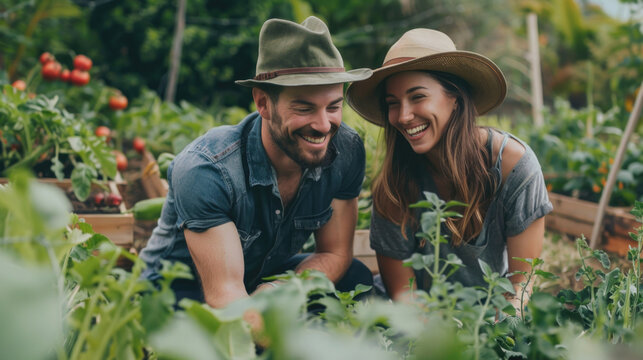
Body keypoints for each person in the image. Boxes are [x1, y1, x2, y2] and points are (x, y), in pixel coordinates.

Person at [139, 16, 374, 309]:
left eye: (334, 107)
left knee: (356, 278)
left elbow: (336, 254)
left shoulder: (345, 151)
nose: (324, 125)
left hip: (259, 279)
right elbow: (225, 297)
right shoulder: (208, 169)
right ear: (263, 103)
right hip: (181, 296)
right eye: (304, 107)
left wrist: (281, 288)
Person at [346, 29, 553, 311]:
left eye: (417, 97)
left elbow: (520, 284)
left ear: (454, 97)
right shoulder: (394, 183)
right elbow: (405, 296)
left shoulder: (513, 167)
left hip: (488, 314)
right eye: (392, 103)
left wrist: (489, 338)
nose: (404, 116)